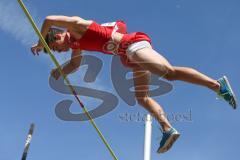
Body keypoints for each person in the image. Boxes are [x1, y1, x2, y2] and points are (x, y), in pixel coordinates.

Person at [31, 15, 237, 153]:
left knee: (169, 73)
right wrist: (59, 71)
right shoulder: (75, 44)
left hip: (132, 45)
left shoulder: (76, 26)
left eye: (54, 48)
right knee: (142, 98)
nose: (58, 52)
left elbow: (49, 19)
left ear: (56, 35)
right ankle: (167, 129)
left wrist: (40, 41)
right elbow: (75, 64)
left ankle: (217, 85)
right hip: (127, 57)